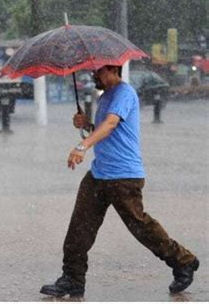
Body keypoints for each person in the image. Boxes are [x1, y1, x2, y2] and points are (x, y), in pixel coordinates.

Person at [40, 65, 199, 298]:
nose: (95, 75)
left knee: (140, 226)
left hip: (124, 176)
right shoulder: (105, 97)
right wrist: (86, 125)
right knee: (79, 227)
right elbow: (105, 130)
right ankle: (72, 279)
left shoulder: (124, 93)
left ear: (114, 69)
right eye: (94, 72)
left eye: (99, 72)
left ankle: (183, 261)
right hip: (99, 174)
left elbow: (112, 124)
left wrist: (83, 146)